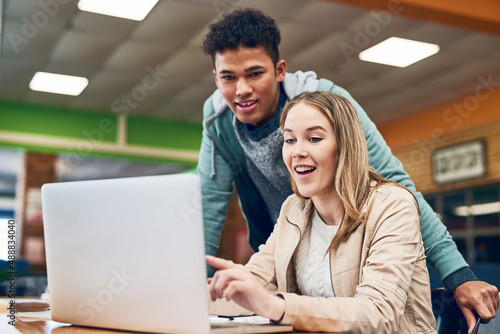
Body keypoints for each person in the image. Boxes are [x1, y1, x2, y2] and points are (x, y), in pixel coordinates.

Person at [197, 8, 498, 331]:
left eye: (314, 138)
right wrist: (186, 289)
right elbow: (206, 208)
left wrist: (458, 274)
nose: (241, 89)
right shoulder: (291, 209)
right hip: (298, 236)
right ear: (216, 78)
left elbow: (399, 187)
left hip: (357, 239)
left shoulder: (386, 201)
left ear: (280, 70)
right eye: (229, 77)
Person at [206, 91, 436, 332]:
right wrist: (189, 296)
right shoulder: (293, 209)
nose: (297, 152)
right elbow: (254, 283)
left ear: (344, 146)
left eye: (314, 139)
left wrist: (277, 306)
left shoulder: (392, 205)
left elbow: (379, 314)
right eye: (290, 140)